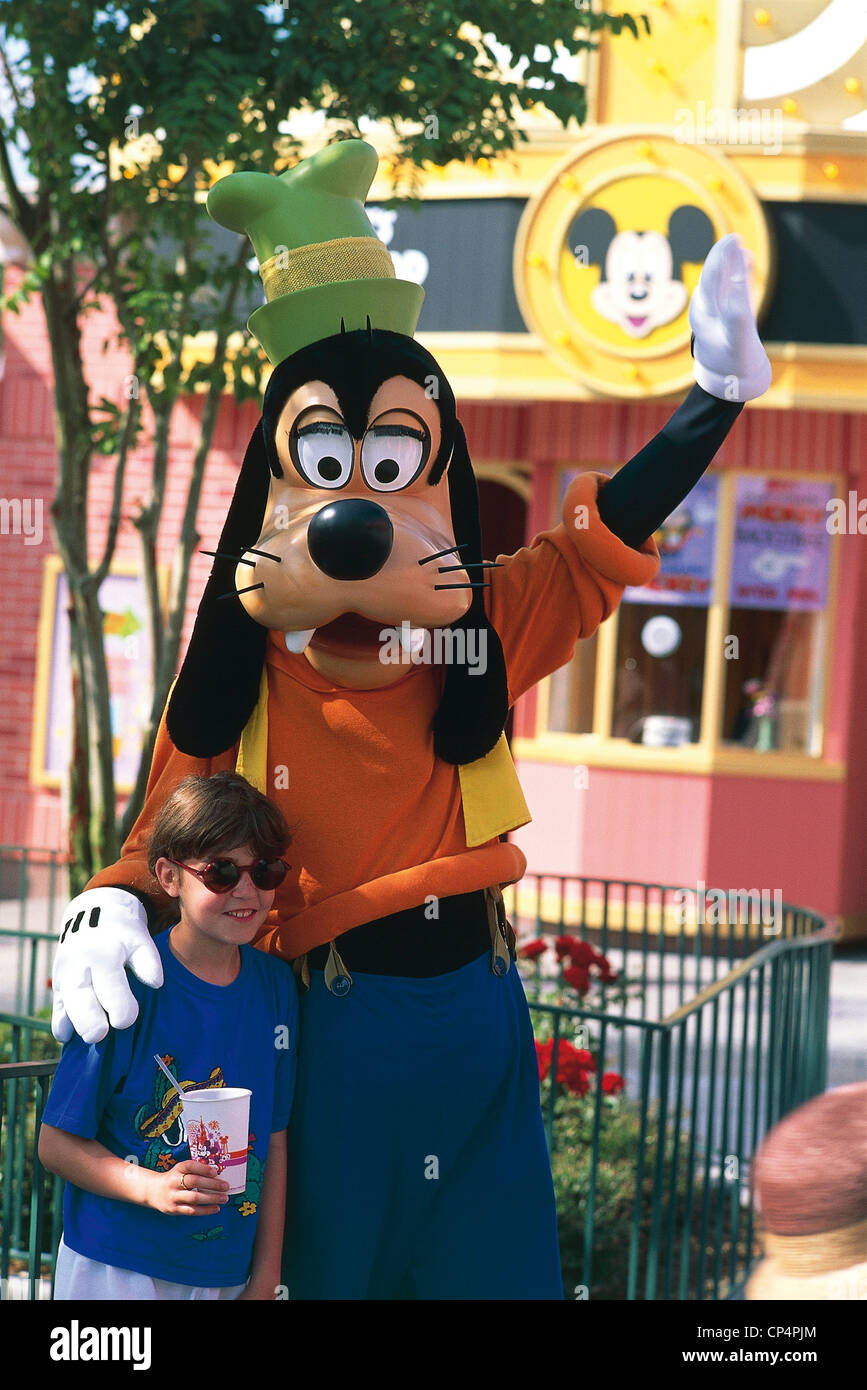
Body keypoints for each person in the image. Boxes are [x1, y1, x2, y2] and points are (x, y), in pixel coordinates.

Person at [39, 771, 297, 1301]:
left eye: (264, 870)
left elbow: (274, 1136)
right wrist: (153, 1188)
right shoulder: (125, 983)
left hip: (224, 1270)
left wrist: (265, 1274)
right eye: (222, 872)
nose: (246, 890)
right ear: (168, 876)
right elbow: (55, 1143)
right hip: (115, 1267)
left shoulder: (276, 986)